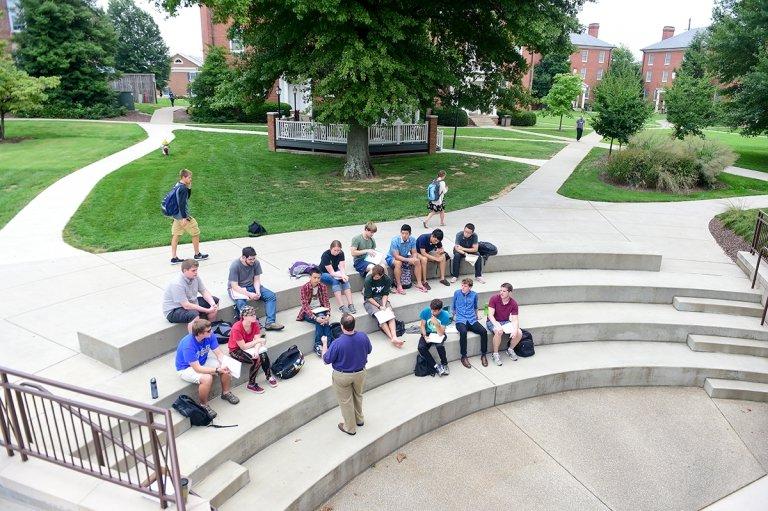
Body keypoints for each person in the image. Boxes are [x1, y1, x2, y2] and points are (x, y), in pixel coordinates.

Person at [174, 318, 239, 418]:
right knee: (207, 378)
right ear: (200, 333)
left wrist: (224, 363)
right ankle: (203, 405)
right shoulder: (188, 345)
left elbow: (219, 354)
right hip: (186, 368)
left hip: (202, 361)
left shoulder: (210, 335)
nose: (211, 331)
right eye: (208, 331)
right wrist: (217, 370)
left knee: (225, 365)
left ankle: (226, 393)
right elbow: (197, 369)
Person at [322, 314, 372, 436]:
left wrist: (324, 343)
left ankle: (350, 428)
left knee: (346, 401)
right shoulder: (363, 336)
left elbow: (325, 360)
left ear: (342, 326)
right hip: (360, 373)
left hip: (342, 376)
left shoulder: (337, 343)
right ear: (354, 325)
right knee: (358, 395)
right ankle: (359, 420)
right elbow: (369, 350)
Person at [228, 247, 285, 330]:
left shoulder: (256, 263)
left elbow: (257, 280)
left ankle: (270, 322)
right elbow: (234, 286)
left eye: (254, 258)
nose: (253, 261)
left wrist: (258, 292)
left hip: (252, 286)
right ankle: (256, 327)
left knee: (271, 296)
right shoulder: (235, 266)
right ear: (244, 257)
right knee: (240, 303)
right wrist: (249, 294)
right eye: (250, 259)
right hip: (238, 288)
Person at [228, 305, 277, 393]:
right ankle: (251, 384)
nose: (255, 316)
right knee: (257, 359)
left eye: (254, 314)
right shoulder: (236, 328)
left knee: (263, 354)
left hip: (249, 347)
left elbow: (257, 340)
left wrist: (256, 350)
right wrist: (257, 341)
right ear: (244, 317)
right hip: (236, 350)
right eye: (252, 315)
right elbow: (243, 346)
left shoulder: (255, 323)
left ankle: (268, 376)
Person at [162, 259, 219, 332]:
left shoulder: (195, 277)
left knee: (214, 300)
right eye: (193, 270)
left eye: (196, 270)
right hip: (174, 310)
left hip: (191, 303)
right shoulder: (177, 284)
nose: (196, 273)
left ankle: (210, 329)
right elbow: (186, 305)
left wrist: (213, 304)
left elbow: (204, 291)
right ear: (185, 270)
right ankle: (193, 340)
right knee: (194, 314)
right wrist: (207, 310)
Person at [170, 169, 208, 265]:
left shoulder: (178, 185)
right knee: (195, 232)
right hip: (183, 216)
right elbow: (182, 203)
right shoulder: (182, 188)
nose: (191, 179)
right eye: (189, 177)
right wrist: (184, 217)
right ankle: (197, 254)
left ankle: (174, 258)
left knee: (176, 235)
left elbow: (185, 198)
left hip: (176, 216)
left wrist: (189, 188)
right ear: (183, 177)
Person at [363, 265, 403, 348]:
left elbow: (385, 294)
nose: (374, 278)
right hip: (371, 300)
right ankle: (391, 337)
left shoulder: (387, 279)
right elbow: (368, 297)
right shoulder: (368, 280)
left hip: (382, 298)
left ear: (382, 275)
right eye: (373, 276)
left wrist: (384, 305)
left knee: (390, 315)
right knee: (381, 317)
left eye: (377, 277)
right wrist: (379, 306)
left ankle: (394, 336)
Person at [453, 278, 489, 368]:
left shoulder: (474, 295)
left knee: (484, 331)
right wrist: (452, 317)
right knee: (463, 332)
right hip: (461, 320)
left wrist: (477, 316)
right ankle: (464, 356)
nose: (463, 287)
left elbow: (475, 307)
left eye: (465, 286)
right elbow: (453, 306)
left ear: (470, 287)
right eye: (462, 285)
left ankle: (483, 355)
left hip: (472, 319)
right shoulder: (457, 293)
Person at [297, 269, 333, 357]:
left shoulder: (322, 286)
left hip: (320, 310)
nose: (317, 280)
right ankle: (324, 344)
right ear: (310, 277)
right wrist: (315, 317)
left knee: (324, 319)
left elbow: (326, 301)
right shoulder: (304, 288)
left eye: (319, 278)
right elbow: (305, 305)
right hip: (308, 312)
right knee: (320, 320)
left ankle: (321, 345)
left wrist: (328, 314)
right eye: (315, 277)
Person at [486, 282, 523, 365]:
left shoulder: (513, 303)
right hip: (492, 321)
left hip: (505, 322)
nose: (501, 293)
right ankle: (495, 354)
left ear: (510, 293)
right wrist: (497, 325)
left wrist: (515, 330)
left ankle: (510, 349)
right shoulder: (494, 298)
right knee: (499, 331)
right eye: (500, 290)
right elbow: (490, 315)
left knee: (519, 332)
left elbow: (515, 319)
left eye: (504, 291)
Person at [320, 240, 357, 314]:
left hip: (336, 271)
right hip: (324, 273)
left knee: (344, 280)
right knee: (335, 280)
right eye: (335, 250)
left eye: (338, 250)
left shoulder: (341, 253)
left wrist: (343, 275)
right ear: (331, 249)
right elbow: (332, 273)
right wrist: (342, 275)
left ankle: (350, 304)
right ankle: (342, 306)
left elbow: (342, 267)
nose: (336, 252)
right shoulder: (325, 255)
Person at [418, 299, 451, 376]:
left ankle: (444, 364)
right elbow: (422, 325)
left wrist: (436, 324)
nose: (432, 312)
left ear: (440, 310)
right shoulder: (426, 311)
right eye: (432, 310)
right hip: (428, 333)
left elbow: (441, 333)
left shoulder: (445, 315)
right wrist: (425, 336)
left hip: (438, 333)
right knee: (421, 347)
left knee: (439, 346)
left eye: (435, 311)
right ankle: (436, 366)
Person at [389, 224, 424, 294]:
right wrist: (408, 260)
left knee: (417, 261)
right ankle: (399, 285)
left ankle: (419, 283)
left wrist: (414, 258)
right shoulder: (395, 240)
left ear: (410, 234)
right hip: (392, 257)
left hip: (404, 256)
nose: (404, 235)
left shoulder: (412, 239)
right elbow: (396, 256)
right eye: (402, 233)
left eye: (406, 233)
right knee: (398, 263)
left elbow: (414, 252)